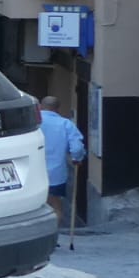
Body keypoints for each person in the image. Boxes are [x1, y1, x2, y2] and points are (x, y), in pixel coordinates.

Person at [39, 95, 86, 223]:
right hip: (56, 173)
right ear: (57, 109)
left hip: (33, 173)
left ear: (40, 107)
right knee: (55, 205)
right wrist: (77, 158)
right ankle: (54, 237)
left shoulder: (32, 122)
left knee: (35, 206)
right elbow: (76, 148)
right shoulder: (66, 124)